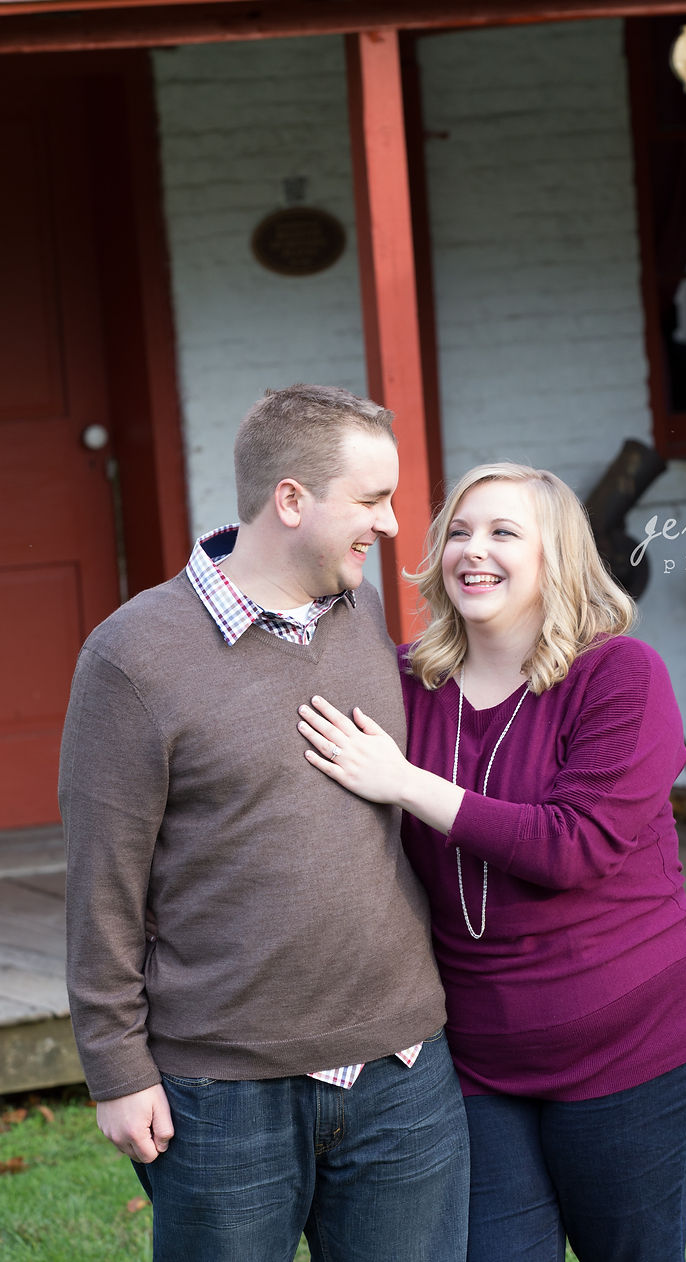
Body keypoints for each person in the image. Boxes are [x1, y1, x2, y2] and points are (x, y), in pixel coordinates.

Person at [58, 383, 469, 1262]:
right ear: (291, 500)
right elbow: (103, 884)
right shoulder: (132, 657)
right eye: (371, 500)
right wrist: (116, 1070)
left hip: (400, 1070)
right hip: (223, 1090)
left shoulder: (362, 614)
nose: (392, 524)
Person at [298, 461, 686, 1262]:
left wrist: (405, 782)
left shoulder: (619, 676)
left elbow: (574, 845)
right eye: (458, 531)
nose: (473, 550)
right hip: (480, 1057)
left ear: (556, 555)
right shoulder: (404, 685)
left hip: (629, 1045)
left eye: (503, 532)